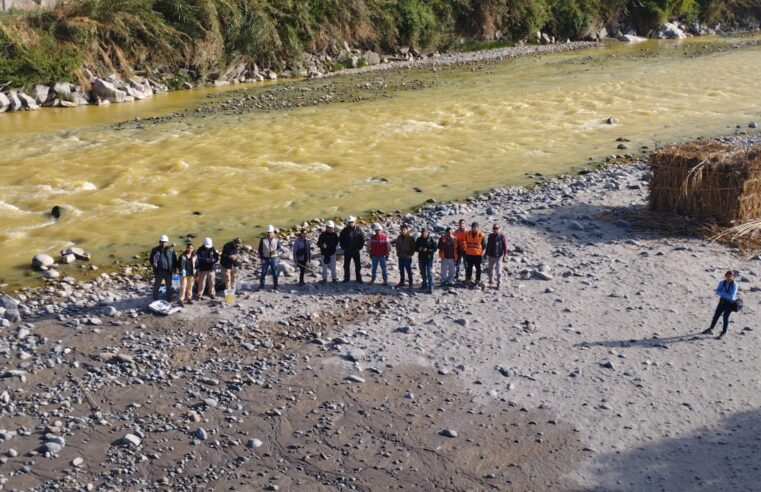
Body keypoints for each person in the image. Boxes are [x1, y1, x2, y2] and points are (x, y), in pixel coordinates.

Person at [702, 271, 740, 339]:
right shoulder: (722, 283)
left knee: (725, 318)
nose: (729, 278)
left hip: (730, 303)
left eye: (730, 277)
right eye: (728, 276)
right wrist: (725, 294)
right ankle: (710, 329)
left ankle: (724, 332)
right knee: (716, 315)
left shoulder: (735, 285)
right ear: (725, 276)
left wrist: (722, 293)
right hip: (722, 302)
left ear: (733, 277)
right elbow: (717, 292)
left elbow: (731, 296)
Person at [150, 234, 177, 302]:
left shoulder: (171, 250)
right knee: (157, 285)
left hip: (168, 271)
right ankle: (155, 298)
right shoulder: (155, 250)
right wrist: (153, 263)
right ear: (159, 242)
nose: (163, 243)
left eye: (165, 242)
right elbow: (151, 259)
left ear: (167, 242)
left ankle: (169, 298)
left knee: (169, 286)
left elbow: (174, 260)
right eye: (162, 242)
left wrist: (174, 269)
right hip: (159, 271)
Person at [339, 216, 365, 283]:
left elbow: (362, 239)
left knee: (358, 265)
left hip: (356, 251)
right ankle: (346, 278)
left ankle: (358, 278)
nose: (350, 223)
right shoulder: (344, 230)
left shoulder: (358, 230)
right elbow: (340, 239)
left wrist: (359, 248)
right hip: (347, 251)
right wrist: (343, 248)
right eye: (349, 222)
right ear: (347, 223)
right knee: (346, 265)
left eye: (352, 222)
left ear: (354, 222)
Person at [258, 225, 283, 291]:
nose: (269, 233)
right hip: (265, 258)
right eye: (268, 232)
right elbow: (260, 250)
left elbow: (279, 248)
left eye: (270, 232)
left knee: (275, 272)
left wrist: (276, 251)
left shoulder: (276, 240)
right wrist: (262, 258)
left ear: (273, 232)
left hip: (274, 258)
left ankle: (276, 285)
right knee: (263, 272)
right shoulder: (262, 240)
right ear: (266, 232)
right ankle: (261, 285)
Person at [485, 224, 508, 289]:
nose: (495, 229)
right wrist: (486, 254)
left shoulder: (502, 236)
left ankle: (498, 283)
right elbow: (488, 246)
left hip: (499, 256)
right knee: (490, 269)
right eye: (494, 228)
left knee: (499, 271)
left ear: (499, 229)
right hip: (491, 255)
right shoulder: (490, 236)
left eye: (497, 228)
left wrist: (505, 255)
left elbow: (505, 247)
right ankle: (491, 281)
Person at [416, 228, 437, 293]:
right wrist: (419, 249)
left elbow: (435, 248)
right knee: (422, 272)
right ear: (421, 233)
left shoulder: (431, 239)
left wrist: (427, 250)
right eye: (423, 233)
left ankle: (431, 287)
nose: (424, 234)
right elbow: (415, 248)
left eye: (425, 233)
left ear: (428, 233)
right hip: (421, 258)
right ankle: (424, 284)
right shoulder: (419, 239)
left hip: (429, 258)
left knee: (429, 272)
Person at [464, 222, 486, 286]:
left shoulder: (481, 235)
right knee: (469, 267)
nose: (473, 228)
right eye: (473, 227)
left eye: (475, 227)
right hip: (469, 254)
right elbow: (465, 241)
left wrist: (481, 252)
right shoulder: (467, 233)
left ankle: (477, 279)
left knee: (478, 268)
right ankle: (468, 278)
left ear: (477, 227)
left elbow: (484, 245)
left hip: (478, 255)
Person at [395, 224, 416, 288]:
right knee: (401, 270)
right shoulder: (399, 237)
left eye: (404, 230)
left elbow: (413, 248)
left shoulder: (410, 238)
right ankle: (402, 282)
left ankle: (411, 283)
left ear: (407, 230)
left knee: (408, 270)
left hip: (407, 257)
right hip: (400, 256)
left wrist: (410, 255)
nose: (403, 231)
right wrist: (398, 252)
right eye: (402, 230)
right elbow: (397, 245)